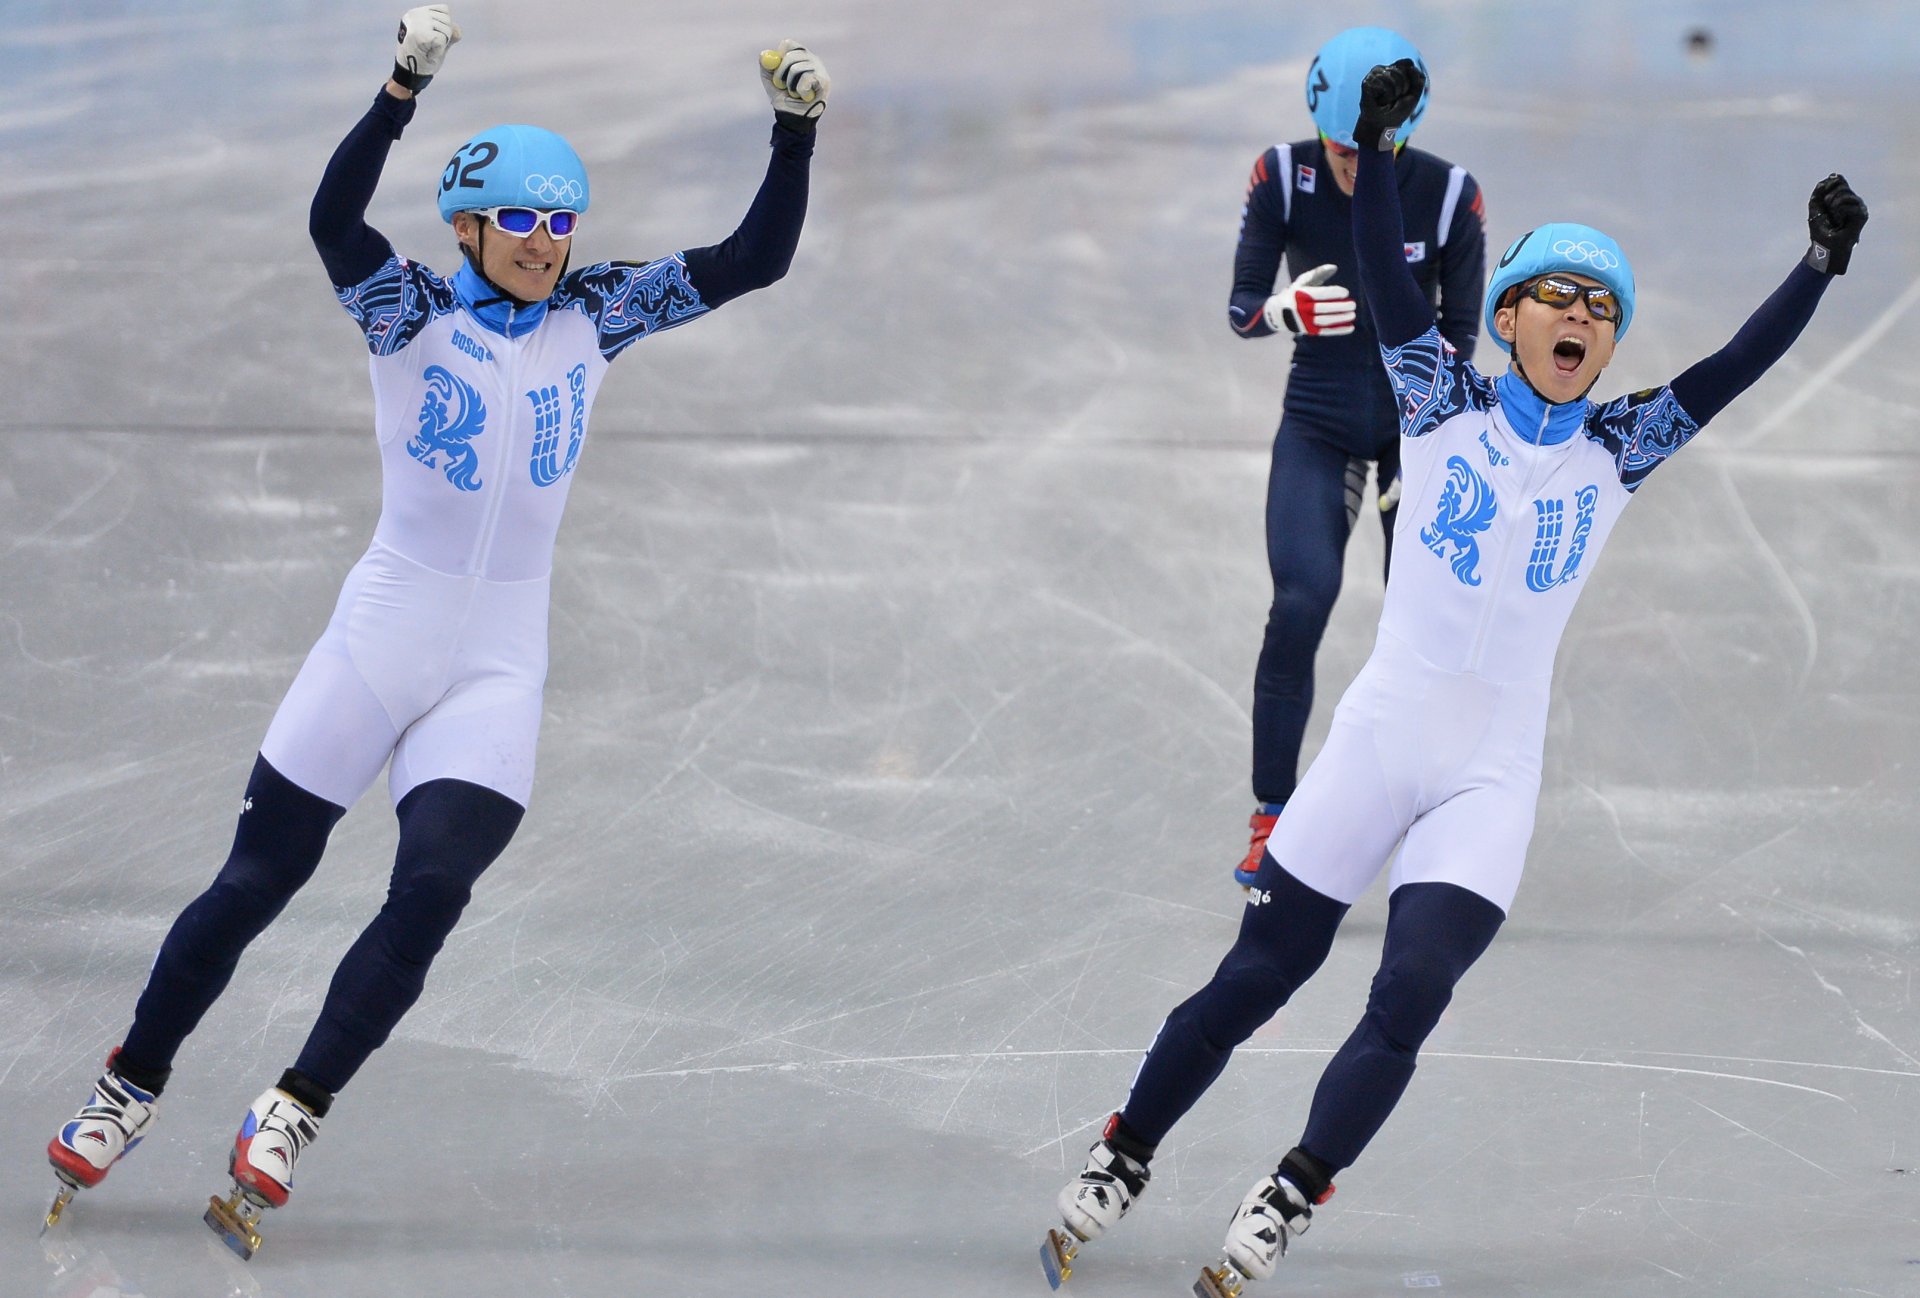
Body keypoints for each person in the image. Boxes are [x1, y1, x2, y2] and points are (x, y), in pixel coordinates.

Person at [1050, 59, 1867, 1294]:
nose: (1583, 317)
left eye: (1605, 306)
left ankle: (1291, 1188)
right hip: (1380, 741)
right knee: (1256, 976)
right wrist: (1375, 149)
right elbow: (1384, 273)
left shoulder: (1622, 446)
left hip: (1489, 775)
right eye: (1560, 295)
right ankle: (1124, 1153)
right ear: (1512, 317)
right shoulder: (1437, 400)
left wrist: (1815, 270)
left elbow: (1735, 369)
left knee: (1412, 990)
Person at [45, 5, 831, 1256]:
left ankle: (292, 1107)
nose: (547, 241)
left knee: (433, 888)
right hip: (382, 634)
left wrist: (795, 138)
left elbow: (754, 261)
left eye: (562, 218)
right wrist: (399, 92)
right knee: (257, 881)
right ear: (468, 225)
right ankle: (128, 1084)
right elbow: (332, 225)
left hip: (497, 660)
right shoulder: (406, 310)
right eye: (522, 218)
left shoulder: (603, 312)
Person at [1228, 27, 1486, 887]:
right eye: (1339, 149)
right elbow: (1240, 308)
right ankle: (1272, 816)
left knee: (1424, 628)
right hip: (1322, 421)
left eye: (1371, 148)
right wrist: (1283, 314)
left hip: (1415, 433)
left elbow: (1461, 338)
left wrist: (1427, 431)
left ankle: (1423, 822)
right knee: (1302, 602)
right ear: (1316, 127)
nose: (1351, 165)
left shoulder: (1450, 195)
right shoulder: (1278, 174)